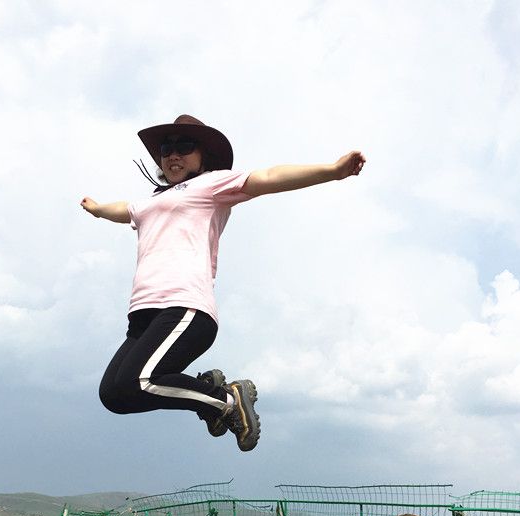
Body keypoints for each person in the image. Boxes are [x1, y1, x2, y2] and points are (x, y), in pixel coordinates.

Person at [81, 114, 365, 452]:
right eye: (167, 149)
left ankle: (226, 401)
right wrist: (98, 209)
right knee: (114, 394)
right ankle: (214, 399)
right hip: (142, 315)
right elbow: (124, 210)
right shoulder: (150, 202)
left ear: (203, 157)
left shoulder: (212, 185)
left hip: (184, 306)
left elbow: (269, 177)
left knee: (139, 381)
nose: (173, 155)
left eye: (184, 147)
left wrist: (332, 172)